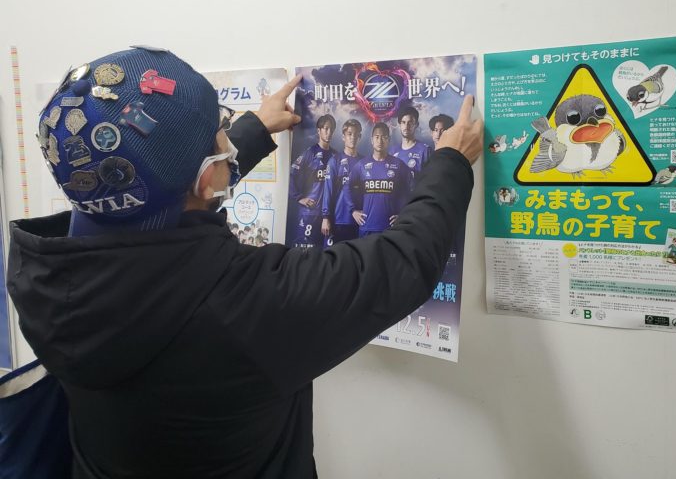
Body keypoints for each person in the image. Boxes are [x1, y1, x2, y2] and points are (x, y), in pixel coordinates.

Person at [7, 47, 482, 478]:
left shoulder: (48, 272)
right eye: (222, 134)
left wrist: (250, 133)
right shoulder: (248, 304)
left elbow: (164, 187)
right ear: (204, 176)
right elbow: (405, 260)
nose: (227, 140)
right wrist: (450, 163)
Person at [350, 122, 412, 236]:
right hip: (367, 227)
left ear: (388, 140)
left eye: (384, 137)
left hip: (390, 229)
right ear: (371, 140)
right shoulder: (361, 165)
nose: (380, 141)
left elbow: (411, 190)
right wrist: (353, 210)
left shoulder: (399, 165)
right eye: (377, 137)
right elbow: (347, 187)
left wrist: (404, 214)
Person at [288, 114, 336, 249]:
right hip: (310, 213)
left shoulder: (335, 156)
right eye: (326, 128)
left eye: (331, 129)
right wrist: (299, 198)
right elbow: (291, 174)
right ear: (318, 131)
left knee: (327, 253)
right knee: (305, 252)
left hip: (329, 215)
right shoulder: (309, 153)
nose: (329, 132)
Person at [321, 119, 363, 245]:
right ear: (343, 137)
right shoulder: (335, 161)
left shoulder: (364, 162)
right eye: (349, 134)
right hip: (338, 220)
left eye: (356, 134)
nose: (353, 137)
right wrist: (325, 217)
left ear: (360, 137)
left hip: (359, 221)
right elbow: (328, 190)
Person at [391, 106, 431, 177]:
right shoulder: (392, 151)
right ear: (399, 125)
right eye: (403, 122)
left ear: (416, 125)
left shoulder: (425, 151)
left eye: (410, 122)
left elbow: (431, 178)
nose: (406, 126)